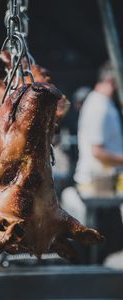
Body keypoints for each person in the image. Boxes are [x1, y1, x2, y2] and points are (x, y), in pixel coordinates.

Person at [61, 62, 123, 262]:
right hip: (99, 183)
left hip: (107, 183)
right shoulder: (99, 106)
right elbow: (98, 151)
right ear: (113, 79)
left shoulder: (102, 104)